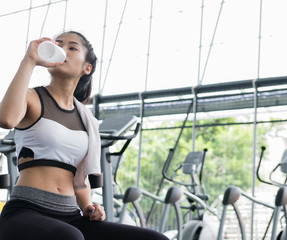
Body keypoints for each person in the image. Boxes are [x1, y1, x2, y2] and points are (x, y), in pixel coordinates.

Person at [0, 31, 169, 240]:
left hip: (70, 215)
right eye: (58, 45)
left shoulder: (86, 118)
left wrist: (89, 207)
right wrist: (29, 60)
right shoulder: (32, 97)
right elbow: (6, 119)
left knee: (155, 239)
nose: (63, 50)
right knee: (70, 237)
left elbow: (80, 178)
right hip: (26, 211)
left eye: (72, 48)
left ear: (86, 68)